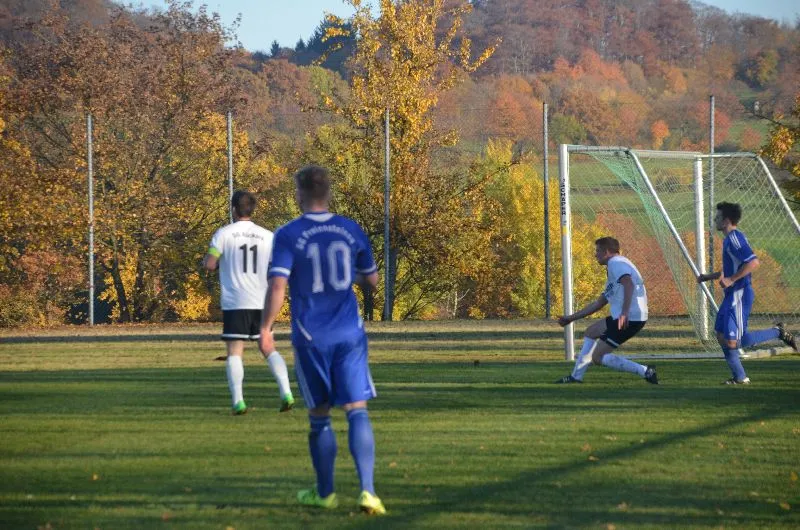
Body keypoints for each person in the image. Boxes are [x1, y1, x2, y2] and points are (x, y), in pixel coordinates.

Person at [258, 165, 386, 515]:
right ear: (329, 193)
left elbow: (278, 285)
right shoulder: (350, 228)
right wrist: (345, 277)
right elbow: (372, 280)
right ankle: (368, 492)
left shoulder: (288, 234)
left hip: (311, 336)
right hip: (349, 333)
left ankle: (326, 493)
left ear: (299, 194)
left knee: (320, 415)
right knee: (357, 409)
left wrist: (266, 327)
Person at [203, 190, 294, 414]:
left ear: (234, 209)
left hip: (235, 300)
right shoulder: (267, 236)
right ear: (252, 210)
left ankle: (238, 401)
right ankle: (286, 392)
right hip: (262, 300)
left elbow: (210, 264)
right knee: (268, 347)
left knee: (235, 351)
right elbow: (276, 267)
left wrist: (213, 260)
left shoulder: (223, 234)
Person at [697, 202, 798, 385]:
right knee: (721, 336)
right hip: (731, 295)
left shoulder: (735, 238)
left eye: (718, 217)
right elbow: (731, 269)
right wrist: (708, 277)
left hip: (740, 294)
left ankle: (777, 332)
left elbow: (753, 262)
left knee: (734, 342)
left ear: (726, 220)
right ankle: (740, 377)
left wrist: (732, 279)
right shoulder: (729, 240)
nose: (715, 220)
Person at [555, 237, 659, 385]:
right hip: (627, 316)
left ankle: (646, 371)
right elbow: (599, 303)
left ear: (607, 252)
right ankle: (576, 377)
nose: (595, 254)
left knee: (597, 357)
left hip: (630, 318)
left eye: (598, 251)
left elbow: (628, 283)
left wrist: (624, 312)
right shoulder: (614, 268)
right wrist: (570, 318)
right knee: (591, 332)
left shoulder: (616, 263)